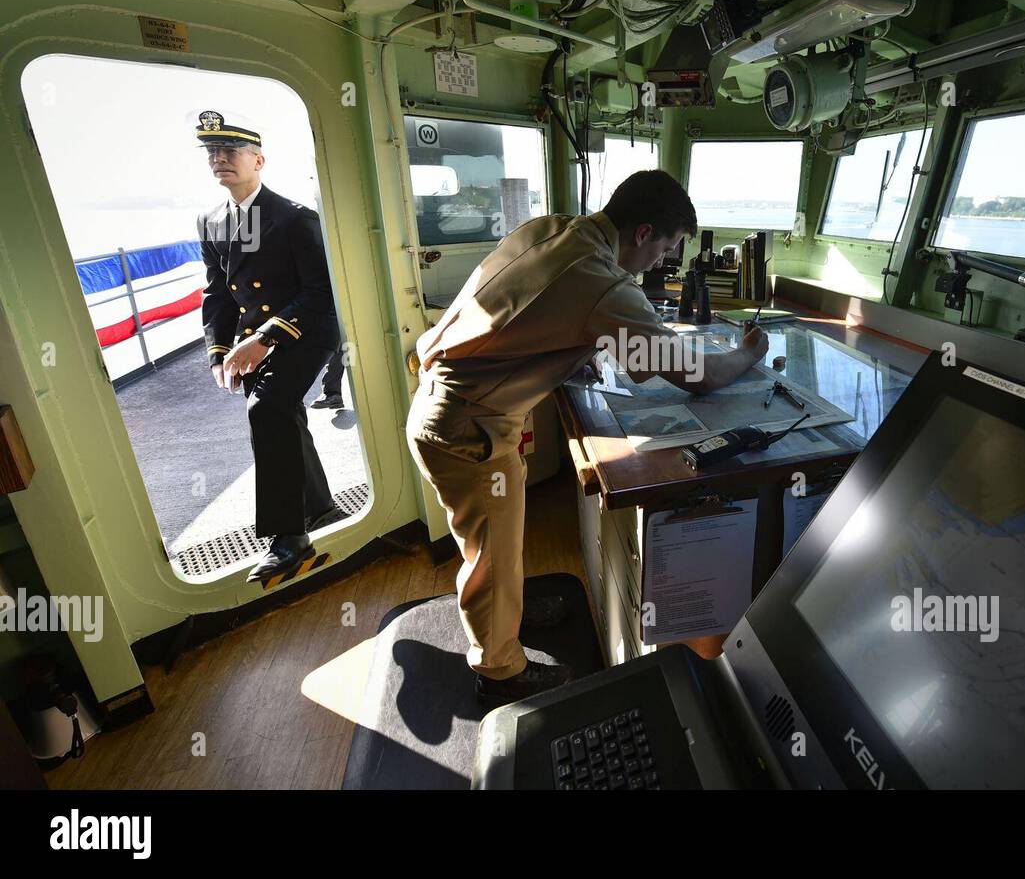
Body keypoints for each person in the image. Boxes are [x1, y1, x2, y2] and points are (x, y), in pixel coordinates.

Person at [406, 170, 768, 705]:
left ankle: (514, 609)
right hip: (467, 430)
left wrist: (571, 360)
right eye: (665, 248)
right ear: (643, 234)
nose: (661, 262)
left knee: (498, 544)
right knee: (488, 554)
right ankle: (499, 671)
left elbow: (516, 314)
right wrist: (748, 353)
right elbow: (697, 375)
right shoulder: (603, 282)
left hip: (455, 409)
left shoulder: (552, 230)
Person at [193, 109, 340, 582]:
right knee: (284, 415)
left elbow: (321, 290)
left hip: (304, 328)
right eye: (213, 152)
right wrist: (218, 352)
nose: (220, 159)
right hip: (251, 338)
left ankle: (289, 539)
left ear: (259, 159)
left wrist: (263, 338)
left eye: (230, 151)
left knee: (268, 408)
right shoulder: (211, 220)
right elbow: (217, 291)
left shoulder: (295, 218)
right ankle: (319, 509)